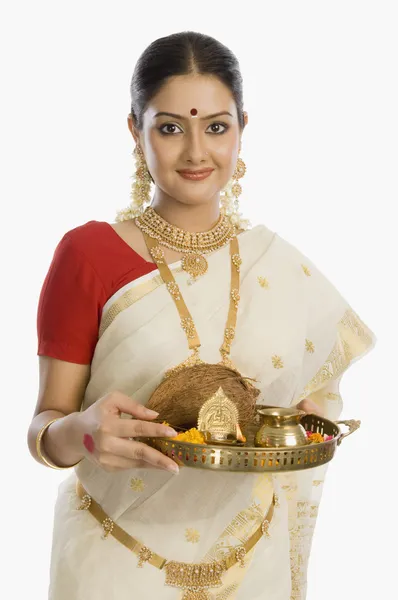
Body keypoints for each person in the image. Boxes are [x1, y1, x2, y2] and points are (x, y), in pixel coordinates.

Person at [27, 31, 376, 600]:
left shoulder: (277, 265)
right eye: (169, 127)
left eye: (217, 126)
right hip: (115, 562)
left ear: (242, 128)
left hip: (251, 559)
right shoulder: (88, 254)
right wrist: (84, 433)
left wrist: (303, 422)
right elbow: (45, 428)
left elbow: (307, 396)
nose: (196, 152)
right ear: (135, 131)